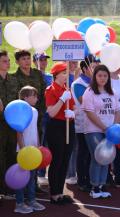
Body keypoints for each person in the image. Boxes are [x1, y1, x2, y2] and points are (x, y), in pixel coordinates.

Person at [82, 65, 120, 198]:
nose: (103, 78)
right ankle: (94, 187)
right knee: (98, 157)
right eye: (100, 75)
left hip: (110, 131)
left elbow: (117, 111)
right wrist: (104, 128)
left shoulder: (112, 92)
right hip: (94, 130)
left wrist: (114, 128)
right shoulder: (89, 92)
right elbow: (89, 113)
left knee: (106, 158)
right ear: (95, 77)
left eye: (105, 76)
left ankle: (102, 185)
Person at [45, 62, 75, 204]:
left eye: (66, 73)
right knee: (57, 160)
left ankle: (60, 192)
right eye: (64, 73)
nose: (66, 75)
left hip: (68, 125)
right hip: (56, 126)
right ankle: (54, 194)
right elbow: (51, 112)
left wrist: (72, 113)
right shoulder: (50, 90)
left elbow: (74, 108)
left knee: (65, 160)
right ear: (56, 75)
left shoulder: (67, 89)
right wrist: (62, 99)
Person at [14, 86, 46, 214]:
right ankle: (19, 203)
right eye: (34, 96)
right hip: (23, 151)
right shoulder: (20, 111)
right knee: (22, 178)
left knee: (32, 177)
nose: (37, 98)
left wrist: (38, 146)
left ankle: (32, 200)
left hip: (33, 150)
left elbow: (35, 130)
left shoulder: (35, 111)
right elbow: (19, 132)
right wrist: (22, 150)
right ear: (25, 97)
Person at [71, 55, 99, 192]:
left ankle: (91, 178)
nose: (95, 70)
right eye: (92, 67)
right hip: (82, 124)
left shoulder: (97, 82)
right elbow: (85, 102)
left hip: (95, 124)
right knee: (83, 152)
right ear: (84, 69)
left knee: (91, 153)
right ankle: (82, 180)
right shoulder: (78, 84)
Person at [0, 50, 19, 198]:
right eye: (4, 61)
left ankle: (10, 187)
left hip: (11, 124)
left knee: (12, 154)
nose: (8, 63)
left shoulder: (13, 80)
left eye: (8, 61)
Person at [33, 52, 52, 186]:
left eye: (45, 59)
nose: (43, 62)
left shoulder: (50, 77)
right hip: (39, 117)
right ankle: (39, 174)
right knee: (39, 144)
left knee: (48, 145)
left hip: (51, 116)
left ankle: (44, 172)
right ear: (35, 62)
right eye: (40, 59)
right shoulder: (34, 77)